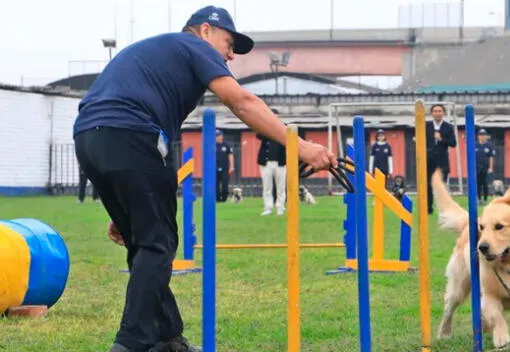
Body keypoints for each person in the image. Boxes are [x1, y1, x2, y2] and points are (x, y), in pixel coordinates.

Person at [72, 6, 336, 352]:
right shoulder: (193, 46)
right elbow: (240, 101)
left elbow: (116, 114)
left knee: (146, 243)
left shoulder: (157, 53)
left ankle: (166, 340)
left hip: (90, 137)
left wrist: (126, 201)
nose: (230, 55)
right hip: (132, 134)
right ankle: (131, 344)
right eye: (229, 44)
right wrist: (300, 146)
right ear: (205, 31)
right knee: (157, 244)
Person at [426, 104, 457, 214]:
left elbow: (453, 143)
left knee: (441, 186)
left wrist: (441, 139)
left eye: (440, 111)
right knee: (428, 185)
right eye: (435, 111)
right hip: (428, 160)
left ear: (443, 113)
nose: (437, 113)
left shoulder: (448, 127)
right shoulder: (426, 125)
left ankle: (443, 209)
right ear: (432, 113)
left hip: (442, 160)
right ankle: (428, 208)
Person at [257, 109, 287, 216]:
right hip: (266, 162)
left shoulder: (284, 127)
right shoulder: (264, 128)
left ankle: (280, 207)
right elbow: (258, 135)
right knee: (267, 187)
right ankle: (268, 207)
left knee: (281, 187)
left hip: (280, 162)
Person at [475, 129, 495, 205]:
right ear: (478, 136)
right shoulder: (475, 145)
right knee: (478, 184)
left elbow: (491, 157)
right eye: (480, 135)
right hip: (477, 168)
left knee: (485, 184)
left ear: (486, 136)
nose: (482, 137)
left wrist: (490, 167)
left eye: (483, 135)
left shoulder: (489, 145)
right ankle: (479, 199)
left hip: (485, 168)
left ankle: (485, 199)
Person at [215, 129, 234, 202]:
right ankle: (217, 198)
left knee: (224, 184)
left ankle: (224, 198)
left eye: (219, 136)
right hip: (215, 168)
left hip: (225, 168)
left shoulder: (226, 145)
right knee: (215, 184)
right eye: (216, 136)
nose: (218, 137)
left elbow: (230, 155)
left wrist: (231, 166)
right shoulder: (212, 145)